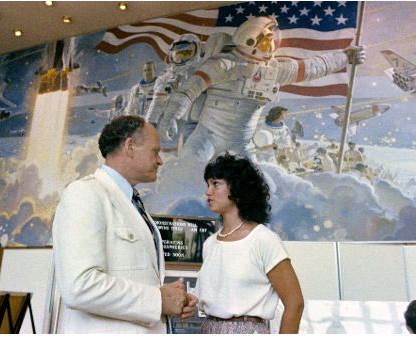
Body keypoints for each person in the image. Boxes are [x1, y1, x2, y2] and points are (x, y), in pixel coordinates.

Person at [52, 115, 197, 333]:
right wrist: (158, 300)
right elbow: (79, 286)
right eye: (154, 151)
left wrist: (171, 302)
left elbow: (136, 279)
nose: (160, 161)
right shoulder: (85, 193)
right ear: (130, 147)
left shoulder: (133, 204)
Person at [156, 16, 365, 163]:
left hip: (241, 143)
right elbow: (188, 89)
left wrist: (345, 57)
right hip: (206, 136)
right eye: (265, 39)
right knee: (186, 174)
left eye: (271, 39)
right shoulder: (224, 64)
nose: (271, 43)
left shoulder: (276, 70)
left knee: (261, 192)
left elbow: (313, 67)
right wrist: (171, 116)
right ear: (250, 38)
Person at [196, 153, 305, 334]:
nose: (208, 191)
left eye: (216, 184)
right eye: (208, 184)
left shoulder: (263, 240)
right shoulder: (210, 244)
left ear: (238, 189)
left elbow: (295, 303)